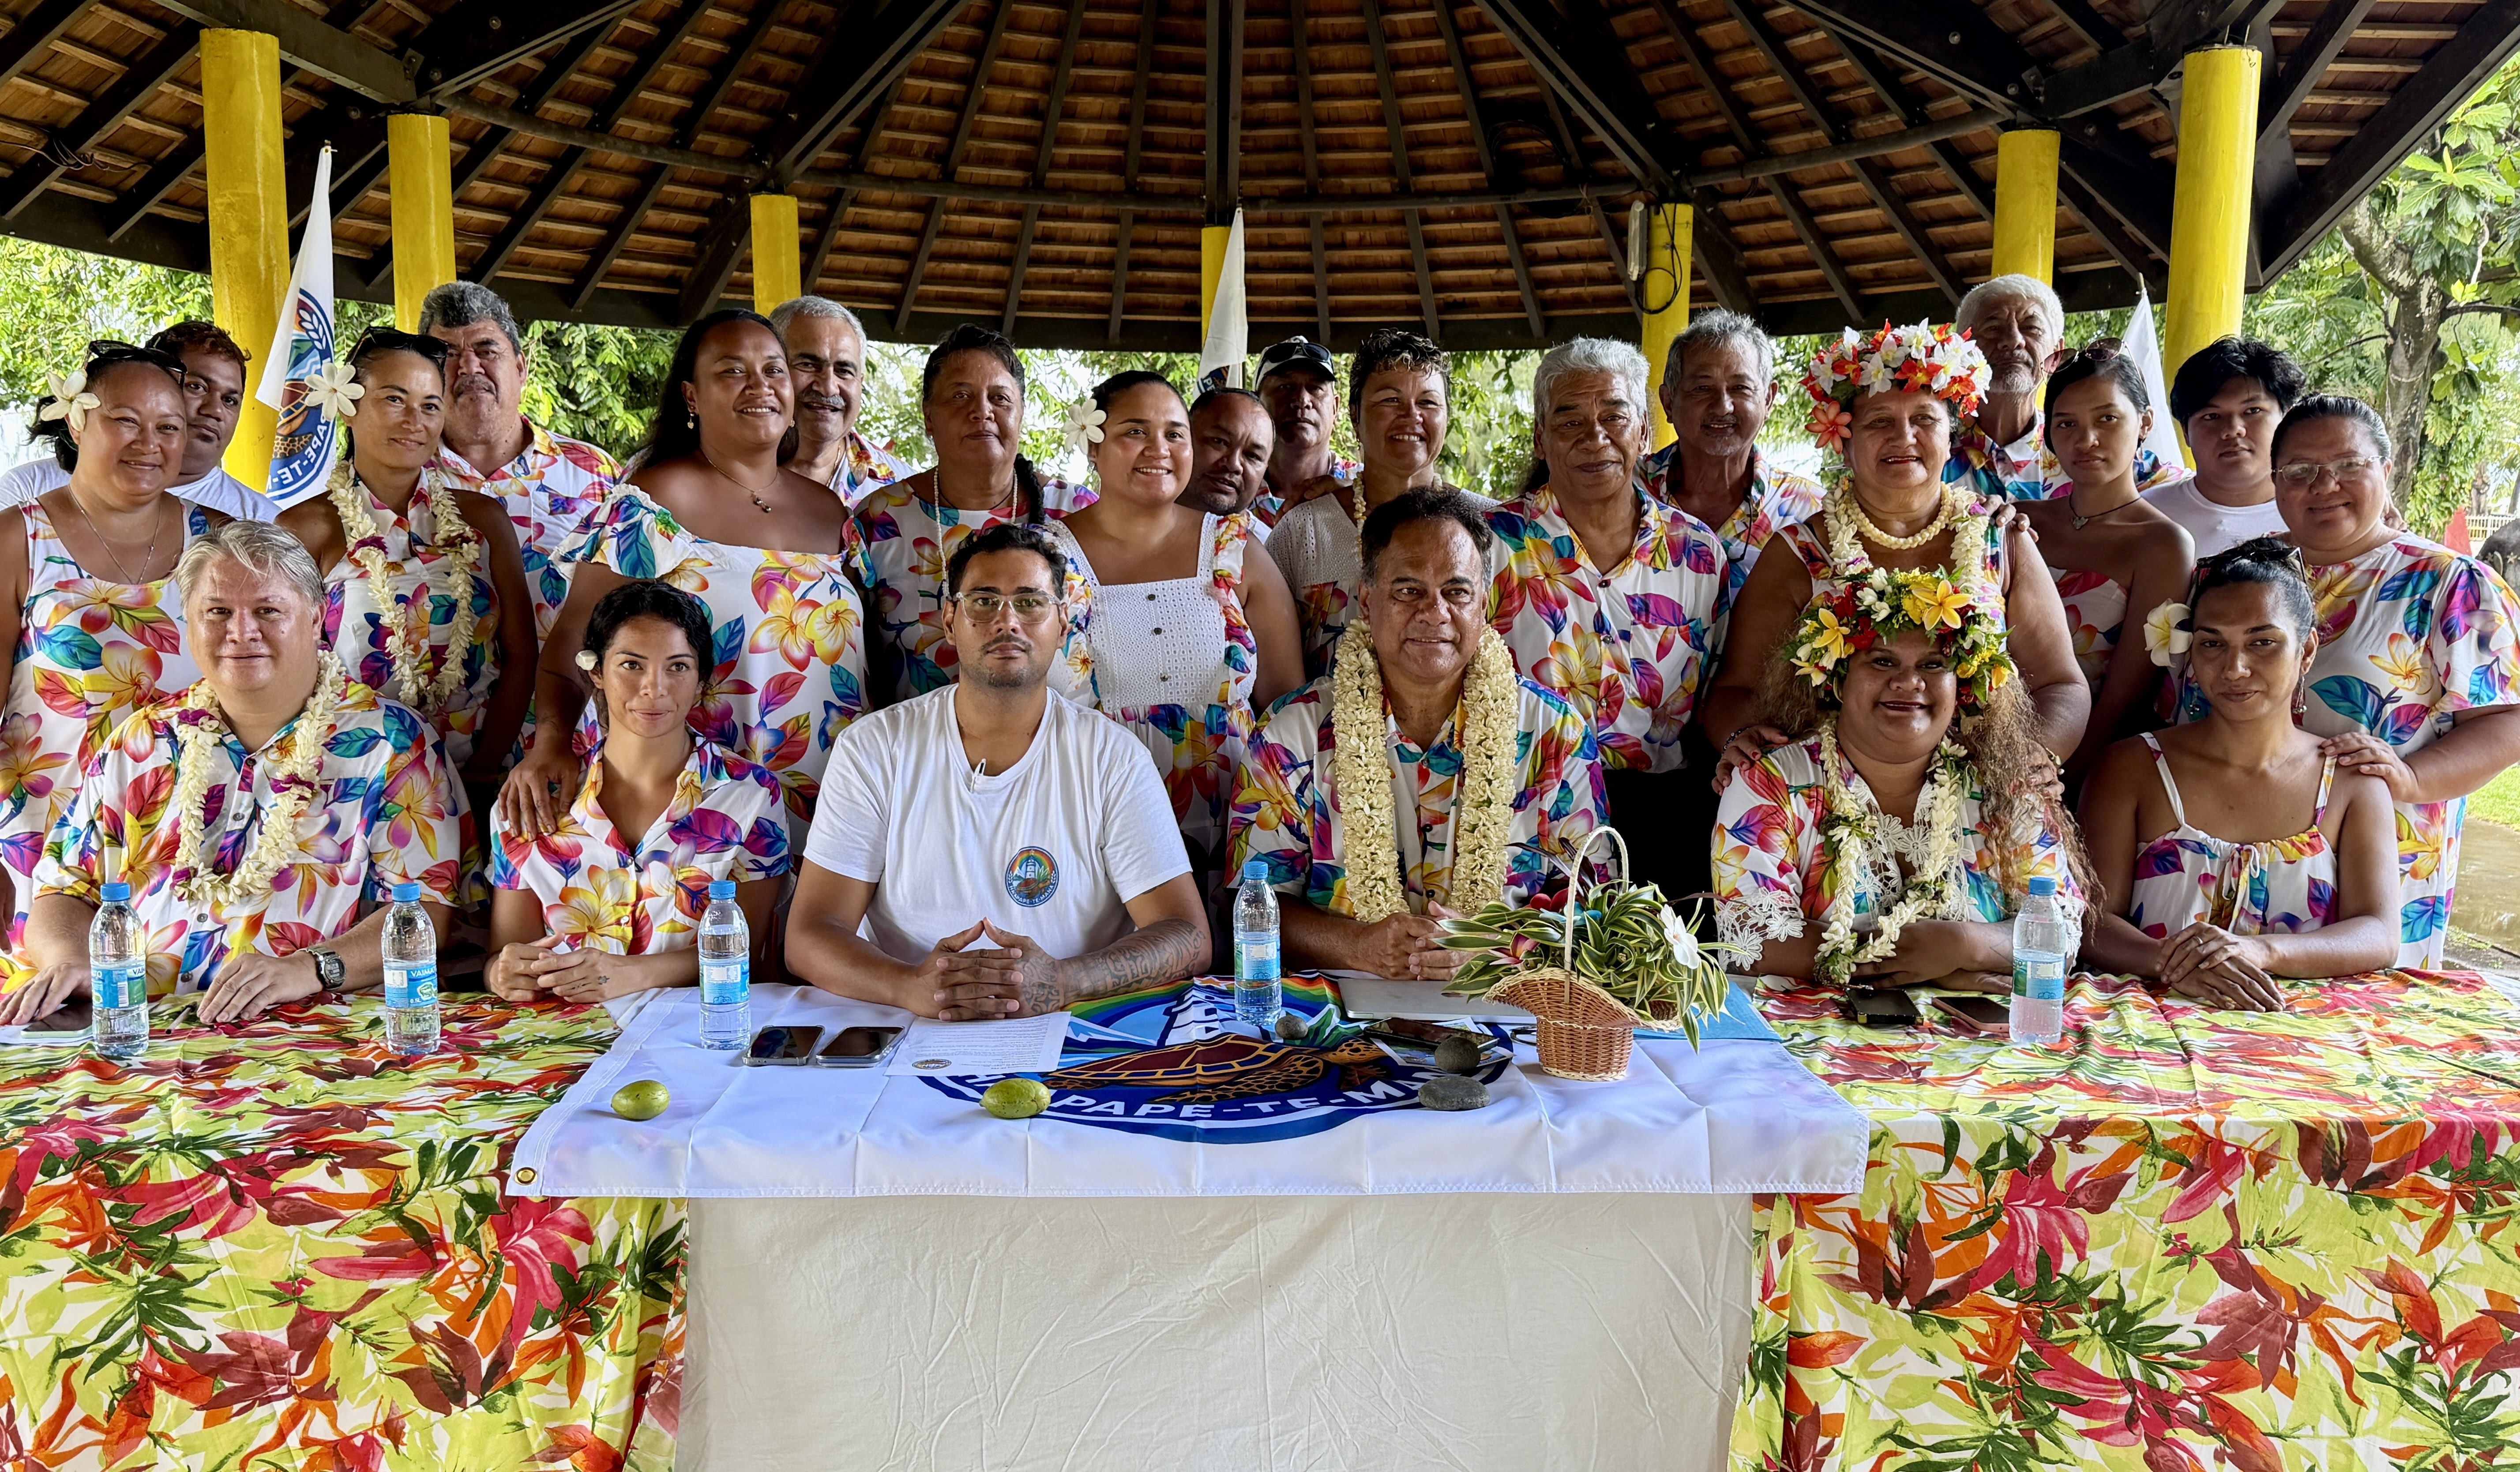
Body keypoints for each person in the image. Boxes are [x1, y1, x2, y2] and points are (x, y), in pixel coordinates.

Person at [0, 522, 461, 1025]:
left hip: (308, 1030)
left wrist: (308, 969)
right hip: (137, 1027)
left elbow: (426, 913)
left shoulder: (391, 742)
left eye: (267, 611)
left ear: (315, 619)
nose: (241, 632)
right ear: (190, 623)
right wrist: (72, 963)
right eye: (218, 612)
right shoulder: (143, 739)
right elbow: (63, 890)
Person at [787, 522, 1210, 1020]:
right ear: (950, 621)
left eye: (1030, 602)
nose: (1007, 621)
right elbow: (810, 934)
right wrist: (909, 987)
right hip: (912, 1027)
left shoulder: (1111, 757)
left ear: (1062, 624)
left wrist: (1062, 982)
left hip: (1071, 1028)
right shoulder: (874, 748)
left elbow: (1188, 936)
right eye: (984, 601)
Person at [500, 308, 867, 843]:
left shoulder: (831, 513)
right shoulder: (652, 503)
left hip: (834, 799)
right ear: (691, 397)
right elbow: (571, 645)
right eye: (732, 370)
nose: (760, 385)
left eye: (774, 369)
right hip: (699, 806)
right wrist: (550, 745)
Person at [2197, 395, 2520, 968]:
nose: (2324, 485)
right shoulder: (2230, 574)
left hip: (2383, 858)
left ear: (2385, 471)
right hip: (2230, 845)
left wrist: (2408, 778)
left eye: (2348, 465)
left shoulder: (2447, 583)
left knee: (2359, 1014)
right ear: (2275, 480)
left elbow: (2506, 719)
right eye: (2300, 470)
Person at [1232, 490, 1605, 979]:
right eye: (1408, 591)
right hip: (1342, 1002)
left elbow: (1597, 906)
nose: (1434, 612)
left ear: (1483, 605)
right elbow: (1251, 906)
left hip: (1509, 997)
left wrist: (1500, 946)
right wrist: (1356, 946)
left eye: (1456, 592)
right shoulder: (1291, 735)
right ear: (1368, 602)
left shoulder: (1554, 734)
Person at [1702, 323, 2089, 780]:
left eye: (1924, 419)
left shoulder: (2000, 539)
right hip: (1829, 795)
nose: (1903, 437)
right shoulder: (1800, 551)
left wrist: (2033, 759)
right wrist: (1744, 739)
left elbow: (2061, 684)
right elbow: (1734, 691)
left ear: (1951, 437)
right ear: (1842, 441)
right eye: (1879, 422)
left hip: (1982, 790)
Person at [1711, 559, 2084, 986]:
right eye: (1882, 662)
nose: (1909, 682)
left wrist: (1964, 946)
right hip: (1802, 1026)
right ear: (1837, 680)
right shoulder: (1770, 781)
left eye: (1933, 665)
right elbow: (1756, 941)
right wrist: (1929, 971)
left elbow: (2059, 933)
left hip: (1980, 1026)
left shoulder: (2005, 784)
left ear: (1962, 690)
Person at [2079, 541, 2399, 1006]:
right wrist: (2173, 964)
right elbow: (2091, 922)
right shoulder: (2131, 769)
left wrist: (2260, 951)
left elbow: (2377, 933)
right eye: (2212, 644)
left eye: (2261, 642)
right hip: (2148, 1033)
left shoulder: (2350, 780)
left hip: (2303, 1036)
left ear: (2306, 650)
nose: (2234, 668)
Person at [1485, 338, 1724, 901]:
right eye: (1569, 421)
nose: (1594, 437)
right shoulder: (1489, 545)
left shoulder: (1696, 553)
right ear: (1540, 439)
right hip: (1526, 812)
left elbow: (1712, 691)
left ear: (1643, 432)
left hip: (1663, 813)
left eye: (1614, 416)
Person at [0, 342, 222, 934]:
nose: (149, 443)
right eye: (126, 420)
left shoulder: (219, 540)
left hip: (181, 838)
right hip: (39, 840)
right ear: (76, 422)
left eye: (168, 427)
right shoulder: (18, 539)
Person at [1045, 372, 1301, 883]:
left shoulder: (1236, 550)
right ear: (1093, 444)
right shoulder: (1044, 560)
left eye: (1174, 434)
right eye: (1135, 431)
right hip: (1094, 820)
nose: (1158, 449)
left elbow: (1288, 709)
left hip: (1233, 820)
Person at [486, 579, 789, 1003]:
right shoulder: (531, 801)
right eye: (631, 665)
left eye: (678, 667)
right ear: (596, 672)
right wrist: (500, 975)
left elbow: (747, 955)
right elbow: (506, 954)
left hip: (697, 1028)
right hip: (562, 1033)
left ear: (702, 681)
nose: (654, 688)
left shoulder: (750, 796)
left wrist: (631, 974)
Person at [275, 327, 536, 817]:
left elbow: (522, 656)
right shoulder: (305, 529)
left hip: (488, 776)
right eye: (395, 400)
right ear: (347, 406)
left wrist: (481, 773)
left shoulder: (483, 520)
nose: (415, 421)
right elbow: (286, 670)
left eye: (430, 405)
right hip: (356, 782)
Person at [848, 324, 1084, 702]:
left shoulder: (1077, 514)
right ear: (928, 417)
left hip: (1056, 736)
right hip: (911, 736)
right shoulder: (879, 520)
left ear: (1020, 414)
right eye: (960, 396)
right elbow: (860, 656)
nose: (982, 412)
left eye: (1000, 398)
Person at [2015, 343, 2195, 788]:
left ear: (2144, 423)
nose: (2086, 440)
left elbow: (2123, 701)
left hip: (2070, 769)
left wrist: (2057, 783)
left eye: (2107, 419)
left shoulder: (2163, 546)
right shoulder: (2017, 520)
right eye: (2066, 424)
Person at [1269, 328, 1491, 677]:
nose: (1411, 415)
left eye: (1428, 403)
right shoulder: (1303, 532)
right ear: (1354, 416)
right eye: (1390, 400)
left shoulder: (1491, 524)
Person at [418, 282, 621, 646]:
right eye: (448, 354)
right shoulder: (400, 478)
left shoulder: (596, 475)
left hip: (570, 683)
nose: (469, 366)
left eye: (487, 350)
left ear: (521, 368)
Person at [1638, 309, 1823, 625]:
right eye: (1702, 388)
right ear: (1668, 402)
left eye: (1740, 388)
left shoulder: (1811, 513)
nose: (1723, 406)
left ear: (1768, 400)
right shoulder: (1626, 492)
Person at [0, 322, 278, 521]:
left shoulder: (260, 522)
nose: (215, 410)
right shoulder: (28, 490)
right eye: (196, 387)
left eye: (230, 400)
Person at [1944, 275, 2182, 502]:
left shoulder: (2084, 446)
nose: (2014, 340)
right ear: (1962, 348)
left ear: (2057, 352)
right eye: (1993, 328)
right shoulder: (1933, 447)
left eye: (2031, 328)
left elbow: (2191, 496)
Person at [2142, 337, 2307, 557]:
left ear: (2285, 421)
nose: (2233, 430)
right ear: (2186, 432)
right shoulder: (2144, 517)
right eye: (2212, 416)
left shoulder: (2321, 514)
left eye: (2253, 411)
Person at [769, 295, 914, 505]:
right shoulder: (724, 476)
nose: (829, 388)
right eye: (808, 365)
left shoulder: (905, 491)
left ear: (860, 383)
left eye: (844, 371)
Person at [1250, 336, 1360, 526]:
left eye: (1315, 388)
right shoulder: (1232, 492)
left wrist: (1357, 499)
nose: (1302, 400)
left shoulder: (1367, 490)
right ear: (1255, 404)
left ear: (1335, 408)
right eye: (1285, 387)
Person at [1177, 386, 1277, 533]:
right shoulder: (1141, 520)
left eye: (1253, 456)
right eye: (1219, 442)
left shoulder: (1269, 544)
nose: (1234, 464)